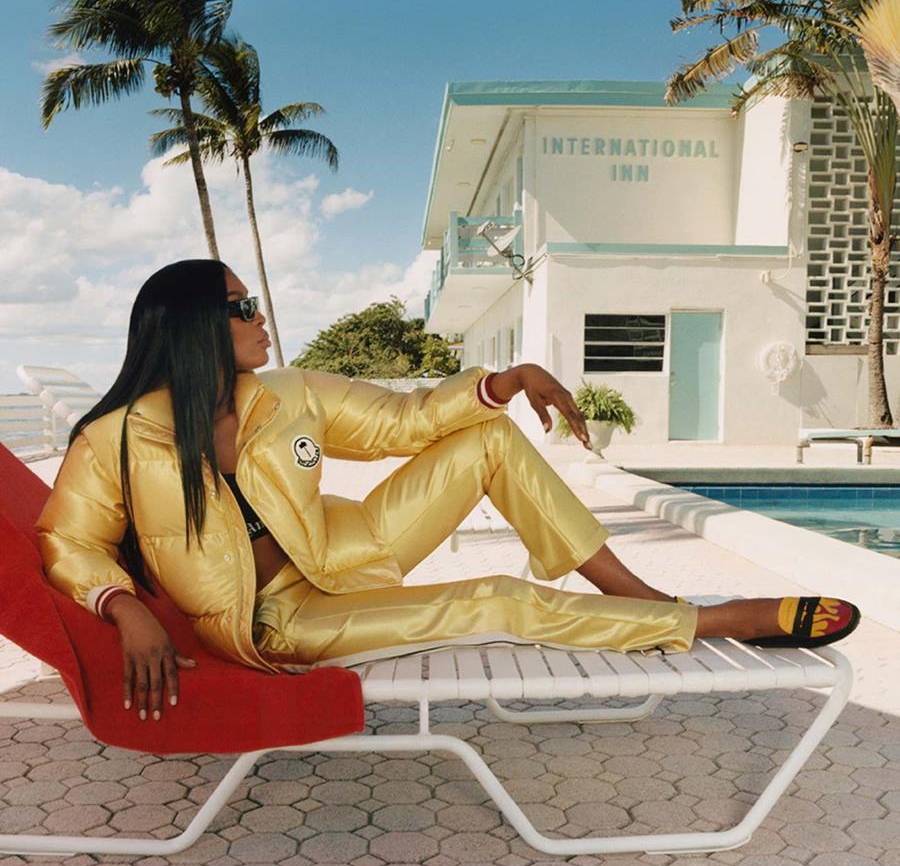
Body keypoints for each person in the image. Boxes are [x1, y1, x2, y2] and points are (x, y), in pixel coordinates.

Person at [37, 260, 860, 726]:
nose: (263, 318)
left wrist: (506, 380)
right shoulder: (116, 436)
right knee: (496, 597)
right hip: (279, 616)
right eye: (242, 306)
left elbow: (402, 420)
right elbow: (66, 541)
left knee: (488, 436)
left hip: (349, 545)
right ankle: (706, 620)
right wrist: (126, 605)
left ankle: (634, 591)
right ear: (192, 328)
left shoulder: (284, 394)